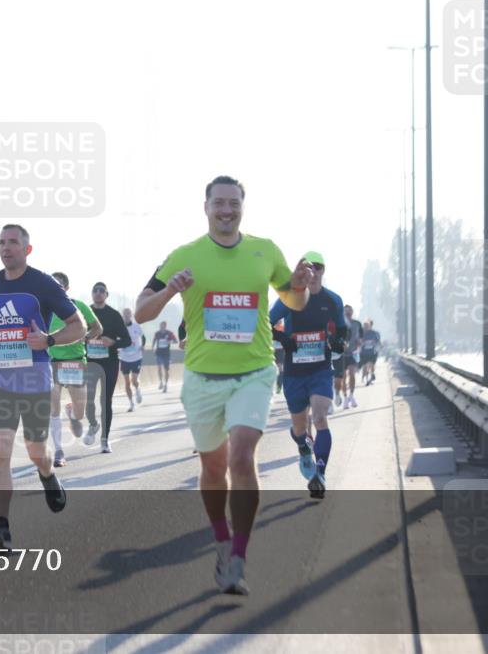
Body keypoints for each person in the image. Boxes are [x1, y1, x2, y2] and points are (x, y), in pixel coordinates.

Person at [135, 175, 312, 595]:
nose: (227, 210)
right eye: (219, 203)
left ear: (242, 208)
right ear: (206, 207)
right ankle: (220, 538)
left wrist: (299, 286)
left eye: (234, 203)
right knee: (213, 468)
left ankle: (239, 557)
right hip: (202, 378)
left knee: (241, 457)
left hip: (254, 372)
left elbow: (294, 301)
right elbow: (141, 312)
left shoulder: (265, 250)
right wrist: (170, 290)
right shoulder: (185, 255)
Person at [0, 225, 84, 549]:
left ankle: (47, 474)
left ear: (27, 249)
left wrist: (49, 340)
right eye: (1, 242)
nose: (6, 248)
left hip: (34, 379)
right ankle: (2, 529)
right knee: (1, 448)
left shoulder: (43, 284)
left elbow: (78, 326)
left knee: (36, 451)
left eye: (13, 243)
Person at [269, 251, 347, 499]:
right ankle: (303, 446)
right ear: (300, 271)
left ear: (323, 271)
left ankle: (320, 474)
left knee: (320, 417)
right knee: (299, 429)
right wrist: (283, 339)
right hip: (294, 373)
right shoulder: (289, 298)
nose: (313, 272)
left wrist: (337, 342)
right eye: (307, 268)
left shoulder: (332, 300)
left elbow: (342, 330)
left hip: (320, 370)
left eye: (318, 267)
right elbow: (266, 323)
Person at [47, 272, 102, 467]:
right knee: (52, 409)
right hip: (52, 361)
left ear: (66, 288)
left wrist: (85, 337)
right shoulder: (44, 307)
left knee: (79, 414)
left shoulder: (79, 306)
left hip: (75, 361)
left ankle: (73, 414)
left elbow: (97, 328)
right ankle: (58, 451)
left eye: (59, 285)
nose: (54, 288)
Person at [85, 282, 133, 452]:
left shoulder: (113, 315)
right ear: (92, 294)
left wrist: (112, 342)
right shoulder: (85, 313)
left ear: (106, 295)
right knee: (88, 399)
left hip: (110, 362)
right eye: (95, 290)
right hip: (90, 362)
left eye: (101, 291)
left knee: (106, 400)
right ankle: (93, 424)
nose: (98, 293)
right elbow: (75, 334)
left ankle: (105, 440)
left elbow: (127, 340)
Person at [120, 307, 146, 412]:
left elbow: (143, 337)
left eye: (128, 313)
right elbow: (115, 339)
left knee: (134, 381)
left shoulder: (136, 326)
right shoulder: (119, 327)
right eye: (125, 313)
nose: (126, 315)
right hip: (124, 357)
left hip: (136, 357)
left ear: (131, 315)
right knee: (127, 382)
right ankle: (131, 404)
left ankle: (138, 389)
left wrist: (143, 346)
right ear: (122, 315)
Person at [341, 305, 364, 408]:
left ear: (352, 312)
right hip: (341, 354)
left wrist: (359, 343)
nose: (348, 313)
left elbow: (361, 337)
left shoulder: (357, 324)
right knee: (343, 377)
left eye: (349, 311)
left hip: (353, 353)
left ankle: (351, 395)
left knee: (352, 374)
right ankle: (345, 398)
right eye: (346, 311)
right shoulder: (340, 323)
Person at [152, 321, 179, 392]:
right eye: (160, 326)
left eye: (163, 326)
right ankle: (161, 382)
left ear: (165, 326)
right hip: (158, 353)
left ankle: (166, 384)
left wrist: (170, 342)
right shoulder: (157, 333)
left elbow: (176, 341)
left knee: (166, 370)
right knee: (159, 368)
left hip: (166, 353)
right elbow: (154, 341)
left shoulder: (169, 333)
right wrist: (153, 348)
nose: (161, 327)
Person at [360, 319, 382, 386]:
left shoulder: (374, 333)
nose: (366, 327)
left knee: (371, 365)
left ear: (370, 326)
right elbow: (358, 341)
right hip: (364, 353)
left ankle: (372, 374)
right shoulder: (361, 333)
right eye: (364, 326)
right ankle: (367, 380)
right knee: (365, 366)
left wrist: (375, 343)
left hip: (373, 352)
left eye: (367, 326)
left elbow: (378, 341)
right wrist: (361, 343)